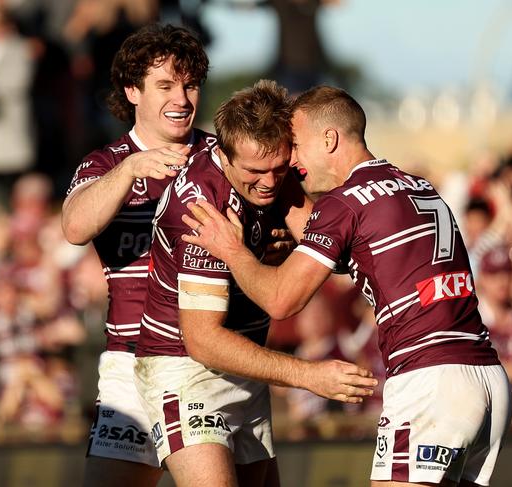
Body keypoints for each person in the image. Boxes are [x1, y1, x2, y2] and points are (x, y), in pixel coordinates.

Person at [184, 85, 512, 487]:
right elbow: (358, 256)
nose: (293, 161)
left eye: (297, 146)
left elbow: (280, 299)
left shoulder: (345, 203)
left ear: (329, 139)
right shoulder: (418, 186)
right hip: (487, 377)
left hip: (430, 377)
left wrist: (233, 250)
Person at [133, 80, 377, 487]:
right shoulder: (202, 209)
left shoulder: (271, 172)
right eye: (255, 172)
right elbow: (203, 340)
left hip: (246, 364)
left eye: (279, 169)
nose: (269, 182)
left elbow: (332, 253)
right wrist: (310, 376)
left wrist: (284, 256)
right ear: (223, 154)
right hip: (187, 370)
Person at [61, 24, 209, 487]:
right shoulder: (107, 163)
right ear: (132, 90)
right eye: (165, 85)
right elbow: (74, 226)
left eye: (189, 85)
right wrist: (129, 171)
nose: (181, 99)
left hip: (208, 363)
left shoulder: (218, 155)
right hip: (130, 363)